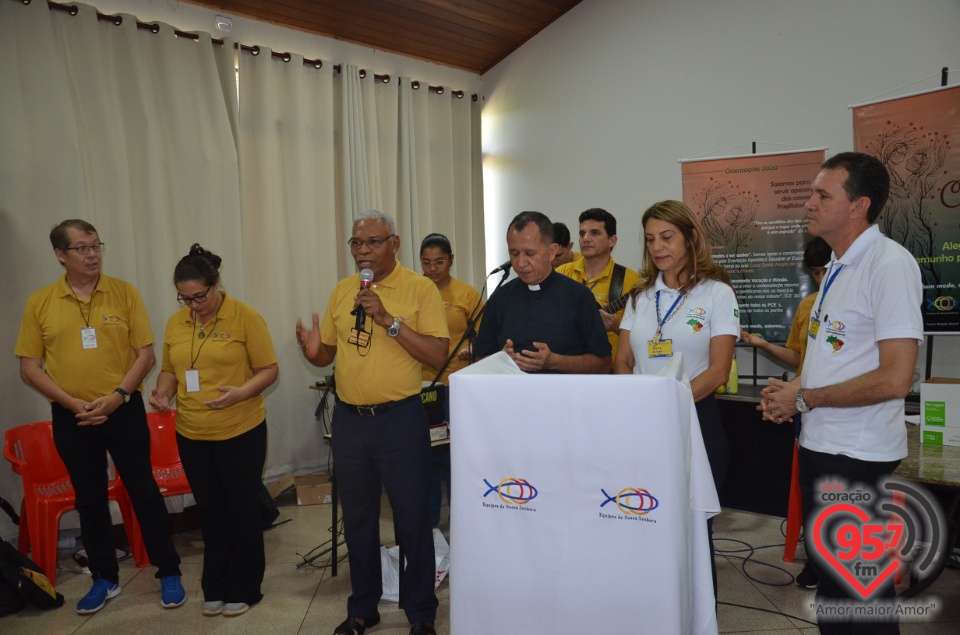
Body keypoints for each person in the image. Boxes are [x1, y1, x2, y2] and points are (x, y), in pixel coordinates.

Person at [760, 152, 922, 635]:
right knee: (836, 590)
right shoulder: (836, 265)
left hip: (858, 455)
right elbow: (835, 357)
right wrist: (793, 391)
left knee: (857, 599)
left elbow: (896, 378)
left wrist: (805, 399)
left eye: (821, 195)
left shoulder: (889, 265)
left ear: (859, 206)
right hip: (822, 446)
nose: (808, 203)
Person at [14, 219, 184, 614]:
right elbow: (30, 367)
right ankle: (105, 578)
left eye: (96, 246)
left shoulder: (123, 293)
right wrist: (73, 404)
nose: (92, 254)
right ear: (60, 255)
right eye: (82, 248)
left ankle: (169, 571)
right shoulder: (41, 302)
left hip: (123, 409)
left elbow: (146, 354)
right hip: (73, 415)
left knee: (144, 489)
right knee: (89, 499)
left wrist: (119, 396)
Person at [297, 211, 447, 635]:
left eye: (373, 242)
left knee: (412, 520)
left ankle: (420, 612)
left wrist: (388, 320)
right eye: (356, 243)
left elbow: (438, 355)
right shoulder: (344, 290)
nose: (363, 251)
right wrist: (312, 352)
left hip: (400, 420)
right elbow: (328, 352)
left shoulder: (420, 289)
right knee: (358, 521)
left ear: (394, 244)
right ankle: (363, 607)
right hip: (351, 422)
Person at [613, 200, 740, 597]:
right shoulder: (638, 297)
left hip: (695, 422)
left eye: (667, 237)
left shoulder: (716, 294)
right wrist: (640, 401)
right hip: (641, 426)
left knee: (693, 528)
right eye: (650, 239)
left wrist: (668, 402)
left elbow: (718, 371)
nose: (657, 247)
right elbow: (622, 360)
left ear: (690, 238)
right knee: (641, 520)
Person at [149, 244, 278, 618]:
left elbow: (269, 370)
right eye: (184, 298)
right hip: (192, 433)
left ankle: (246, 586)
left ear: (216, 283)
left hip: (240, 430)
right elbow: (172, 370)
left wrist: (241, 392)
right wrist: (163, 392)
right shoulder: (177, 323)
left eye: (200, 296)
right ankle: (215, 585)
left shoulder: (245, 317)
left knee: (241, 508)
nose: (193, 305)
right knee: (211, 510)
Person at [740, 236, 831, 590]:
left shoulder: (857, 300)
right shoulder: (809, 305)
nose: (822, 277)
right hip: (806, 407)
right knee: (811, 490)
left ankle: (841, 565)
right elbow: (798, 358)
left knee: (837, 492)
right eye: (815, 271)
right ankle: (815, 562)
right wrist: (763, 345)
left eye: (827, 269)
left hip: (841, 410)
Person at [474, 211, 611, 373]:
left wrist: (555, 362)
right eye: (514, 253)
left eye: (530, 253)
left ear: (552, 252)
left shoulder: (578, 296)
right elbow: (480, 359)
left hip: (565, 395)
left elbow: (604, 363)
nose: (521, 263)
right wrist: (500, 361)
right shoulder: (499, 298)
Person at [419, 233, 482, 527]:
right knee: (425, 462)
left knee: (455, 461)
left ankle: (462, 524)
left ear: (451, 260)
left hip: (455, 388)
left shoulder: (467, 295)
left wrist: (475, 350)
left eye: (439, 262)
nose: (433, 269)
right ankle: (428, 527)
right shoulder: (414, 292)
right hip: (421, 387)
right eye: (427, 263)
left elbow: (485, 338)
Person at [557, 208, 640, 360]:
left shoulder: (630, 280)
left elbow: (645, 335)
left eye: (595, 233)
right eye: (582, 233)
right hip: (567, 367)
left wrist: (617, 326)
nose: (586, 238)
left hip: (611, 372)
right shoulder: (561, 274)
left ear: (612, 240)